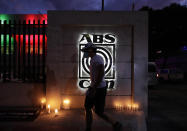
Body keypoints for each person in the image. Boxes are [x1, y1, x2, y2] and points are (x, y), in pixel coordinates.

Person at [81, 42, 122, 131]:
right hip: (95, 87)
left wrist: (94, 88)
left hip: (98, 88)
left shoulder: (97, 59)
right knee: (88, 107)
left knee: (98, 111)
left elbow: (101, 72)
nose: (85, 53)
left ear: (91, 50)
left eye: (86, 51)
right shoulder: (93, 59)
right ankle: (88, 128)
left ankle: (116, 124)